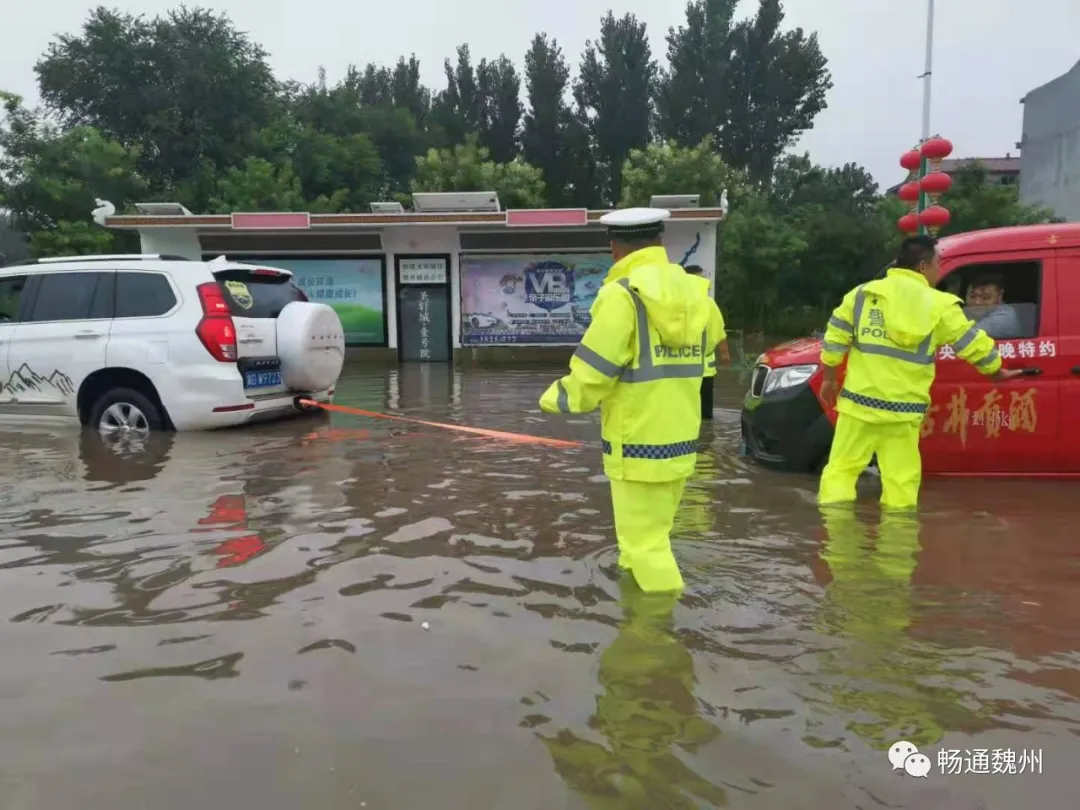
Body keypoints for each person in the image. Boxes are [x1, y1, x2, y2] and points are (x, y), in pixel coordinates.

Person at [539, 208, 726, 593]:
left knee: (647, 548)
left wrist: (555, 399)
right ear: (660, 243)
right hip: (681, 442)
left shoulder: (621, 296)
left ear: (615, 249)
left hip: (637, 443)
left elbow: (593, 374)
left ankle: (656, 634)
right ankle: (630, 601)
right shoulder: (698, 296)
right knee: (647, 539)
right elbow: (709, 359)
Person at [817, 235, 1024, 509]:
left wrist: (830, 379)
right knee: (901, 482)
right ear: (923, 266)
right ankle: (896, 547)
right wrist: (995, 371)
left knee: (841, 470)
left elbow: (834, 340)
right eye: (938, 264)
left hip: (859, 405)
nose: (940, 270)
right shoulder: (940, 306)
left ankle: (836, 540)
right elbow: (973, 344)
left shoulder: (862, 296)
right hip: (903, 413)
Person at [683, 264, 730, 419]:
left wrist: (724, 352)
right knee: (703, 415)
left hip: (683, 369)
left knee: (689, 413)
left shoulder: (675, 302)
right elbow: (719, 330)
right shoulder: (707, 303)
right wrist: (724, 354)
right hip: (701, 369)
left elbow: (718, 329)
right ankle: (707, 441)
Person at [964, 271, 1024, 339]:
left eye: (985, 297)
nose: (977, 302)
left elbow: (964, 337)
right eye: (972, 296)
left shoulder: (1004, 316)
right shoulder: (971, 311)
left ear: (1000, 295)